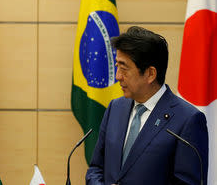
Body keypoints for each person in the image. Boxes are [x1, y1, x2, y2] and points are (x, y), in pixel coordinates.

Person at [86, 26, 208, 185]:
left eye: (124, 69)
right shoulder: (115, 108)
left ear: (150, 74)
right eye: (117, 67)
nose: (118, 77)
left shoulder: (188, 120)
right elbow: (96, 168)